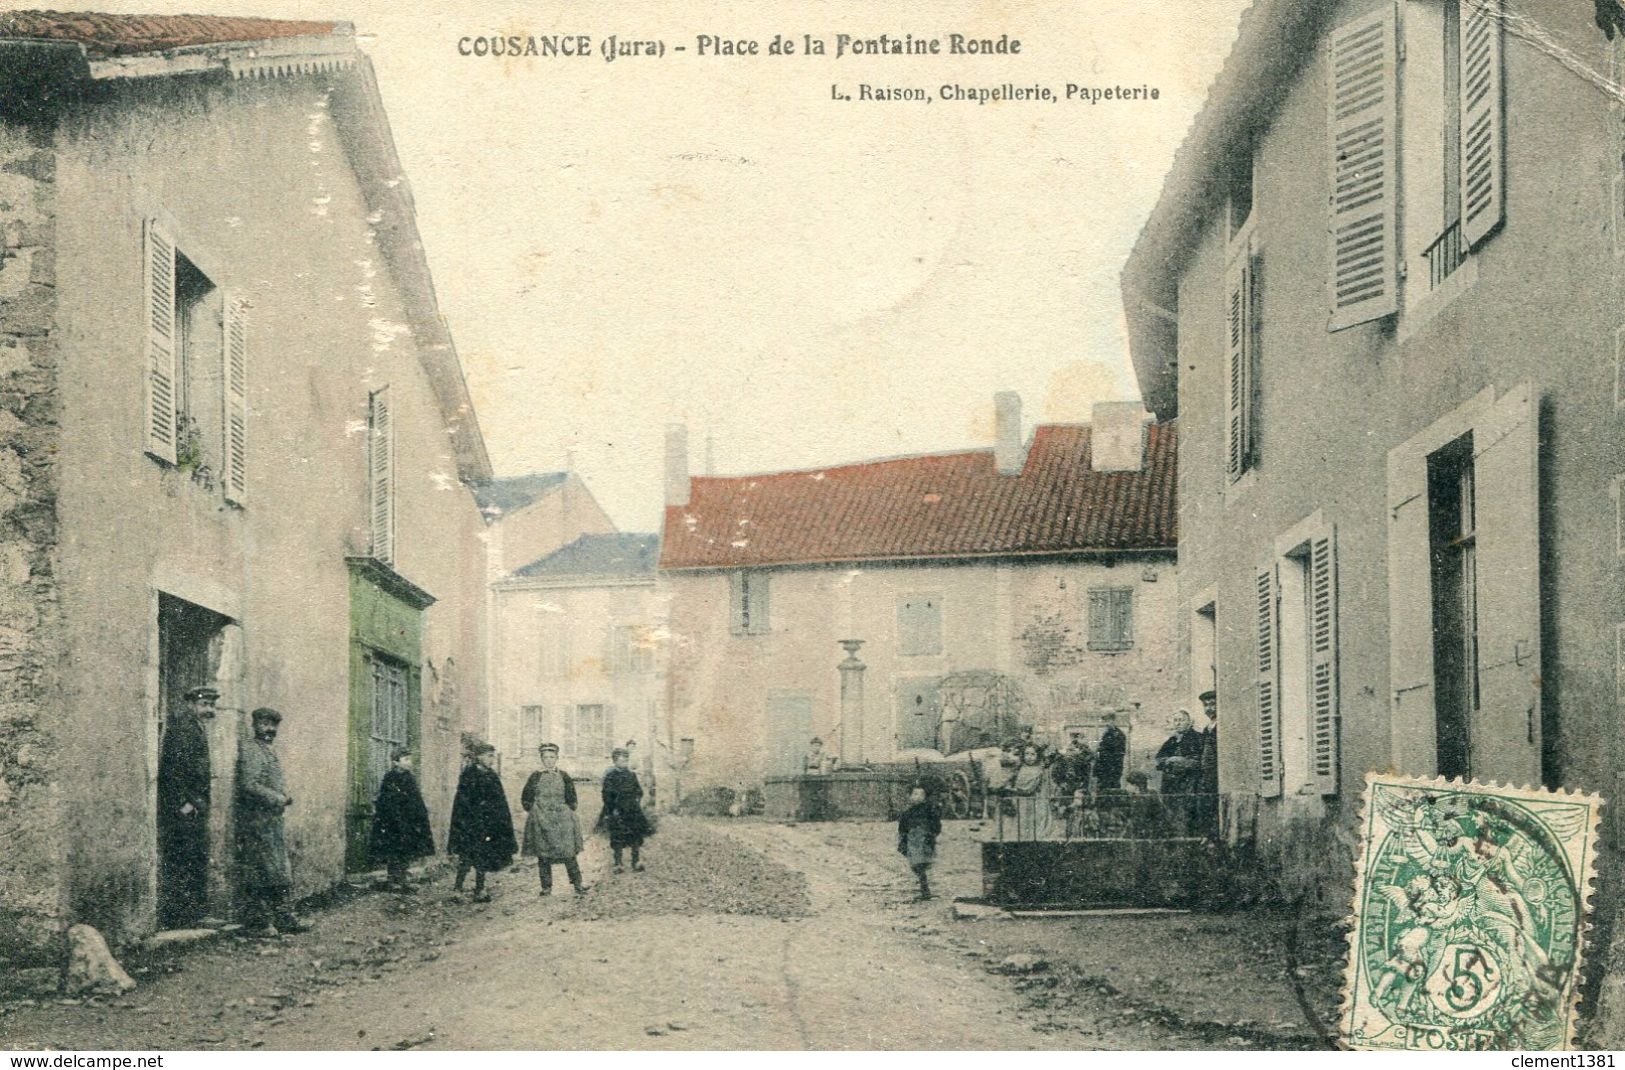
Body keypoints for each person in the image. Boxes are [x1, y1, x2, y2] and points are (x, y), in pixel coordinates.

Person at [236, 707, 306, 937]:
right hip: (256, 821)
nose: (270, 730)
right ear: (255, 725)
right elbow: (250, 785)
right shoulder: (251, 749)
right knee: (259, 872)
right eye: (265, 724)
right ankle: (259, 923)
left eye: (274, 726)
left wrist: (283, 796)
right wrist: (278, 798)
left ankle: (284, 918)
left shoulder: (267, 750)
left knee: (277, 871)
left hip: (271, 820)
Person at [157, 685, 216, 929]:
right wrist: (183, 803)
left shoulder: (197, 728)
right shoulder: (183, 729)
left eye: (212, 705)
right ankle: (179, 915)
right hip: (185, 807)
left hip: (196, 805)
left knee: (195, 855)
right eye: (204, 705)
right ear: (191, 705)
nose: (209, 710)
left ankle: (193, 913)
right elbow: (173, 771)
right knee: (182, 857)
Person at [448, 741, 517, 902]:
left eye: (493, 756)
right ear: (478, 757)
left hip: (487, 826)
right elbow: (463, 802)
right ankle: (457, 889)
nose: (491, 760)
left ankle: (480, 890)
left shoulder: (492, 775)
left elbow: (500, 802)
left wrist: (498, 822)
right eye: (488, 756)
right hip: (470, 825)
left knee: (482, 859)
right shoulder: (468, 775)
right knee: (465, 858)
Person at [521, 742, 588, 896]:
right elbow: (526, 797)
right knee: (543, 853)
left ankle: (578, 884)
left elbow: (572, 797)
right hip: (542, 818)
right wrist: (533, 810)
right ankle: (546, 887)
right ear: (541, 759)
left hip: (562, 819)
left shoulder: (564, 776)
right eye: (546, 757)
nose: (549, 760)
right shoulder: (535, 776)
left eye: (552, 757)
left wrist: (568, 809)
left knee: (568, 851)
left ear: (557, 758)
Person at [367, 747, 435, 893]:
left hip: (408, 821)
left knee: (406, 852)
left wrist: (419, 815)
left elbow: (415, 799)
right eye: (406, 759)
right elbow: (386, 801)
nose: (409, 762)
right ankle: (393, 880)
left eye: (410, 759)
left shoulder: (409, 777)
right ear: (395, 762)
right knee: (393, 851)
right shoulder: (390, 778)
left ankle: (403, 879)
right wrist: (394, 817)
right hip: (393, 822)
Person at [598, 746, 653, 872]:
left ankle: (636, 862)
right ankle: (618, 863)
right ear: (615, 761)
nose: (624, 763)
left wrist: (636, 801)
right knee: (617, 837)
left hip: (632, 811)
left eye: (626, 761)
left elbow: (639, 791)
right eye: (621, 761)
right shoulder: (610, 776)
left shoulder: (631, 775)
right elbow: (606, 795)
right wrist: (612, 809)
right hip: (617, 810)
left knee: (635, 836)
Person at [1155, 709, 1204, 834]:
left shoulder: (1197, 738)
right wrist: (1169, 760)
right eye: (1175, 720)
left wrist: (1181, 761)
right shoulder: (1171, 741)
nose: (1178, 723)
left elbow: (1198, 761)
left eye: (1181, 720)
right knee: (1170, 815)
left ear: (1189, 722)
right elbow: (1158, 759)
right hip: (1170, 785)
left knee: (1187, 815)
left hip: (1188, 784)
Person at [896, 785, 942, 901]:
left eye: (921, 795)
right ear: (910, 796)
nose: (918, 797)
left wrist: (932, 834)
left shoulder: (929, 810)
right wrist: (903, 841)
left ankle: (925, 889)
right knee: (916, 865)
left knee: (920, 864)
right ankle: (924, 888)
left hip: (925, 840)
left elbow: (936, 824)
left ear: (925, 797)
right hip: (912, 841)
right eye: (915, 794)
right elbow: (902, 828)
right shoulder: (907, 813)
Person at [1195, 691, 1220, 839]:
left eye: (1213, 704)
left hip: (1216, 773)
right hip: (1206, 774)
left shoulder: (1221, 726)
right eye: (1206, 705)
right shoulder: (1207, 728)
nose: (1209, 708)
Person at [1095, 712, 1127, 793]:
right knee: (1102, 791)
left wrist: (1100, 749)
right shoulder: (1106, 734)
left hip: (1113, 769)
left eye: (1107, 721)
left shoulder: (1119, 734)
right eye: (1104, 721)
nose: (1105, 724)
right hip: (1103, 770)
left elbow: (1118, 753)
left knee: (1112, 791)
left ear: (1113, 720)